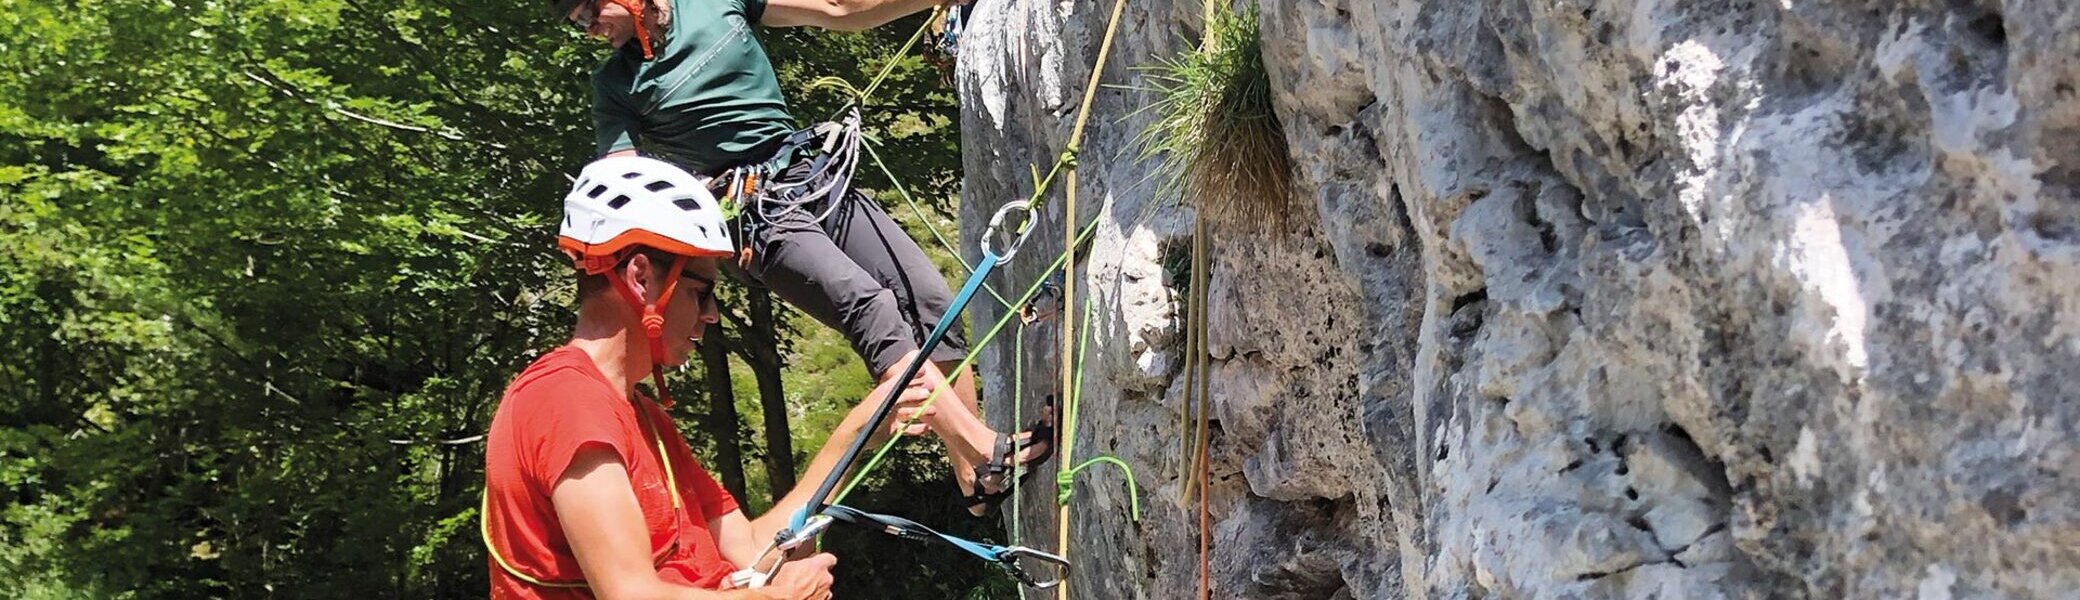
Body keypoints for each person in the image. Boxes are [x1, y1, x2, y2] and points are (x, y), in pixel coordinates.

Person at [552, 0, 1052, 515]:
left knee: (928, 299)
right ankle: (984, 445)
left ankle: (974, 480)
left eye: (590, 13)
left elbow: (839, 9)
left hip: (811, 174)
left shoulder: (716, 4)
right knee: (871, 307)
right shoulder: (616, 84)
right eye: (579, 25)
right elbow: (624, 181)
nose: (591, 30)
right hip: (755, 213)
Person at [483, 156, 944, 598]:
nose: (712, 316)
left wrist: (865, 426)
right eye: (701, 292)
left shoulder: (640, 415)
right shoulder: (565, 402)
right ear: (641, 277)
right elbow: (630, 594)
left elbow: (750, 548)